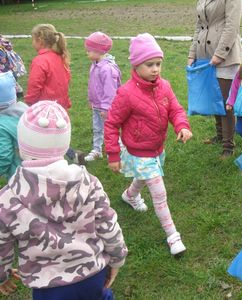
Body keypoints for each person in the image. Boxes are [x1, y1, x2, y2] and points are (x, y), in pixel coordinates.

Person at [0, 101, 128, 299]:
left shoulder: (8, 198)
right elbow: (108, 224)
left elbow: (1, 245)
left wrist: (2, 275)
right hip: (93, 275)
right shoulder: (89, 183)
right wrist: (117, 259)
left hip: (49, 288)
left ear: (21, 146)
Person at [105, 33, 192, 256]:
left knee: (143, 178)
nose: (155, 69)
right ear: (136, 65)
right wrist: (113, 154)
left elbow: (175, 109)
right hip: (139, 151)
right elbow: (112, 123)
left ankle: (130, 195)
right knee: (159, 192)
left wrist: (182, 126)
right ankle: (173, 236)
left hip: (157, 148)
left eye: (158, 64)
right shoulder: (126, 93)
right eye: (149, 64)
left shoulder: (165, 86)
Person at [188, 0, 242, 158]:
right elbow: (199, 26)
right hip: (205, 55)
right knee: (214, 98)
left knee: (226, 103)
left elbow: (232, 25)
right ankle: (220, 136)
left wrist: (220, 53)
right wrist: (192, 53)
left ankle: (228, 146)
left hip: (225, 55)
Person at [24, 24, 84, 164]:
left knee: (44, 138)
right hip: (60, 106)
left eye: (32, 39)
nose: (32, 43)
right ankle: (72, 155)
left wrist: (29, 104)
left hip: (44, 108)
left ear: (40, 40)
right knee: (55, 135)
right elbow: (65, 81)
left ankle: (49, 163)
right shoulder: (60, 58)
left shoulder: (39, 61)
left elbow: (34, 85)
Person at [84, 31, 121, 162]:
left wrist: (106, 108)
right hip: (96, 104)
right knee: (97, 128)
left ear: (98, 51)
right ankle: (97, 150)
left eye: (89, 50)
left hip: (106, 107)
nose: (86, 52)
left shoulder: (107, 69)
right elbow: (92, 84)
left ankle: (119, 149)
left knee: (110, 128)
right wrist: (91, 99)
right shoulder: (95, 65)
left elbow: (110, 91)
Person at [0, 71, 28, 181]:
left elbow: (3, 157)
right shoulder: (27, 111)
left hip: (20, 177)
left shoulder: (2, 127)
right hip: (40, 169)